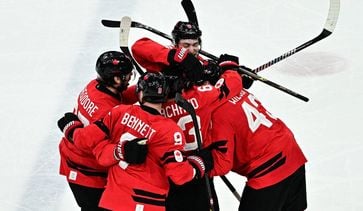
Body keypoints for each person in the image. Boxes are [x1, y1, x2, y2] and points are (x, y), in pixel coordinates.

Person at [57, 72, 212, 211]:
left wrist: (118, 150)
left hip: (112, 201)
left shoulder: (119, 112)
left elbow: (99, 153)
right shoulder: (170, 130)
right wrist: (199, 163)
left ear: (140, 93)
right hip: (148, 204)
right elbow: (179, 176)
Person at [131, 30, 243, 210]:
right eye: (185, 46)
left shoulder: (150, 106)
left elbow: (139, 47)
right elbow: (232, 85)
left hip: (167, 170)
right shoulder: (202, 96)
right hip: (198, 167)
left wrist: (180, 58)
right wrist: (229, 70)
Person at [57, 51, 138, 211]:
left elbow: (119, 99)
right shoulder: (105, 112)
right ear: (116, 79)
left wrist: (142, 92)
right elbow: (98, 147)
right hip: (86, 172)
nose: (129, 79)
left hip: (75, 160)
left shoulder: (95, 86)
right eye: (127, 76)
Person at [210, 83, 308, 210]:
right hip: (291, 152)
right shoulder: (235, 88)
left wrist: (198, 165)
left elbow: (223, 164)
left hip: (269, 168)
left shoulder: (217, 113)